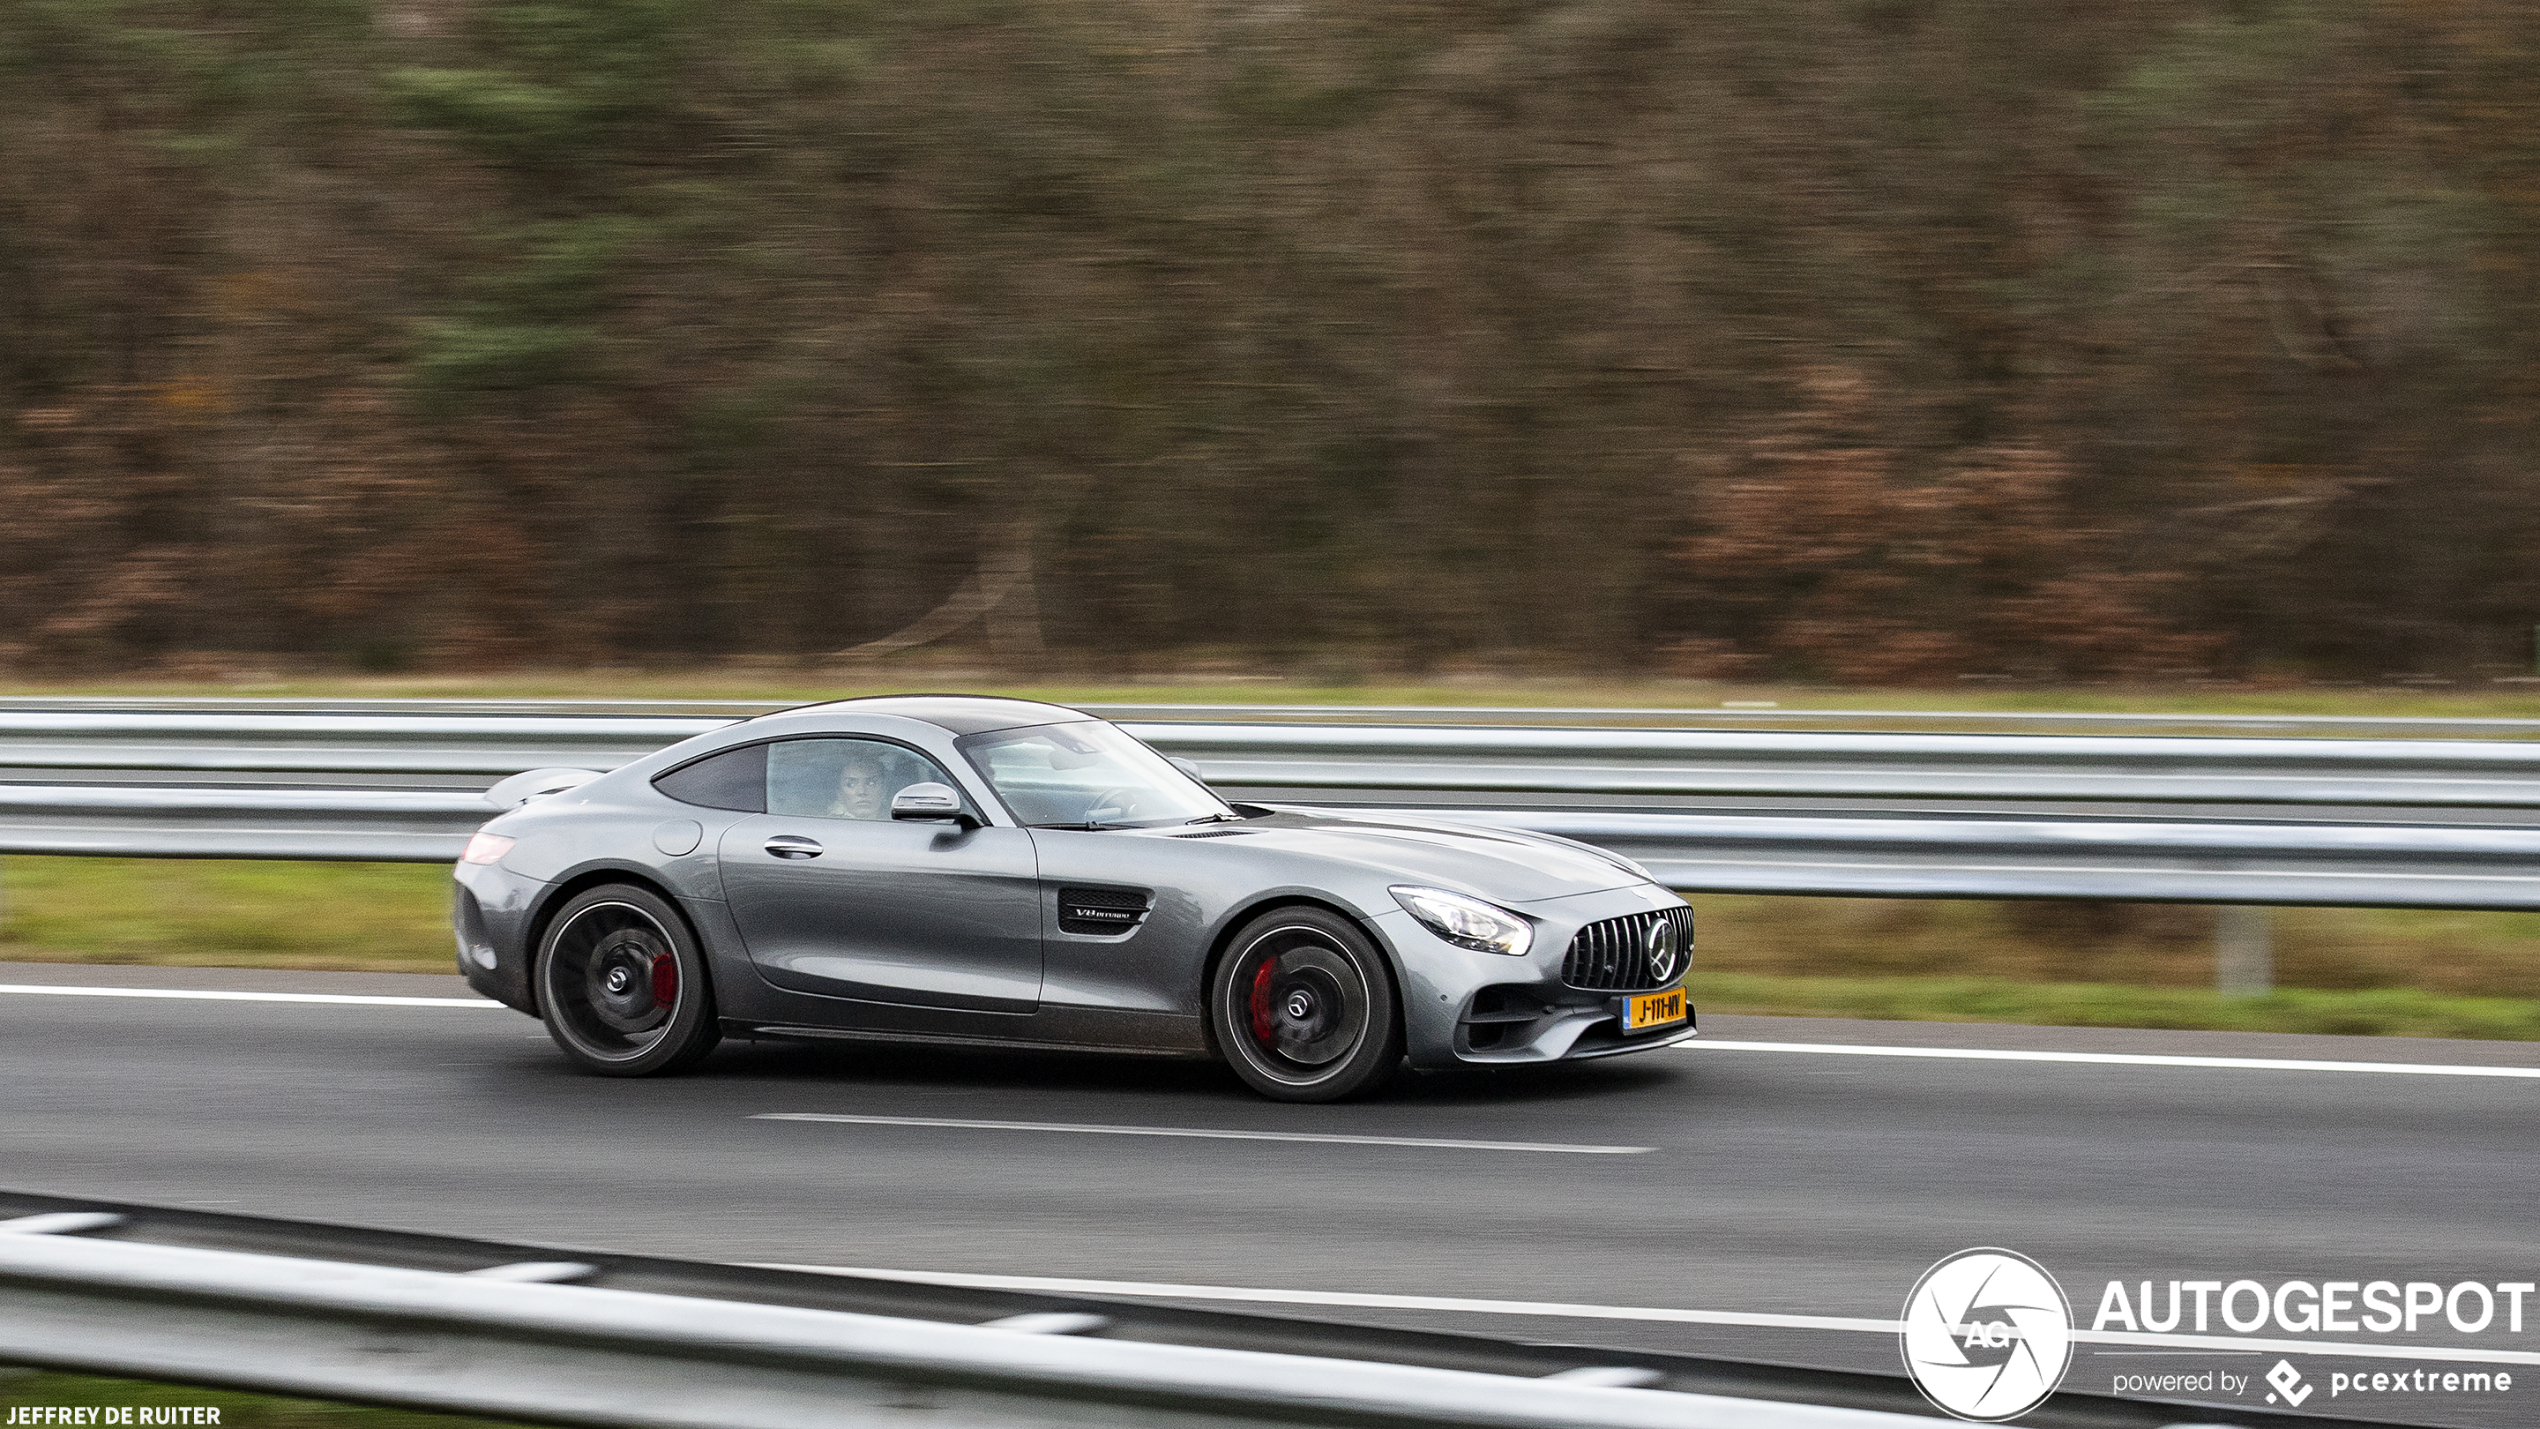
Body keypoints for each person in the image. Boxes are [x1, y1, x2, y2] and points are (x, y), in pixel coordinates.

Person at [829, 752, 893, 820]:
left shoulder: (900, 825)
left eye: (871, 783)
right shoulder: (824, 825)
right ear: (839, 794)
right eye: (850, 784)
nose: (862, 791)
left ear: (884, 790)